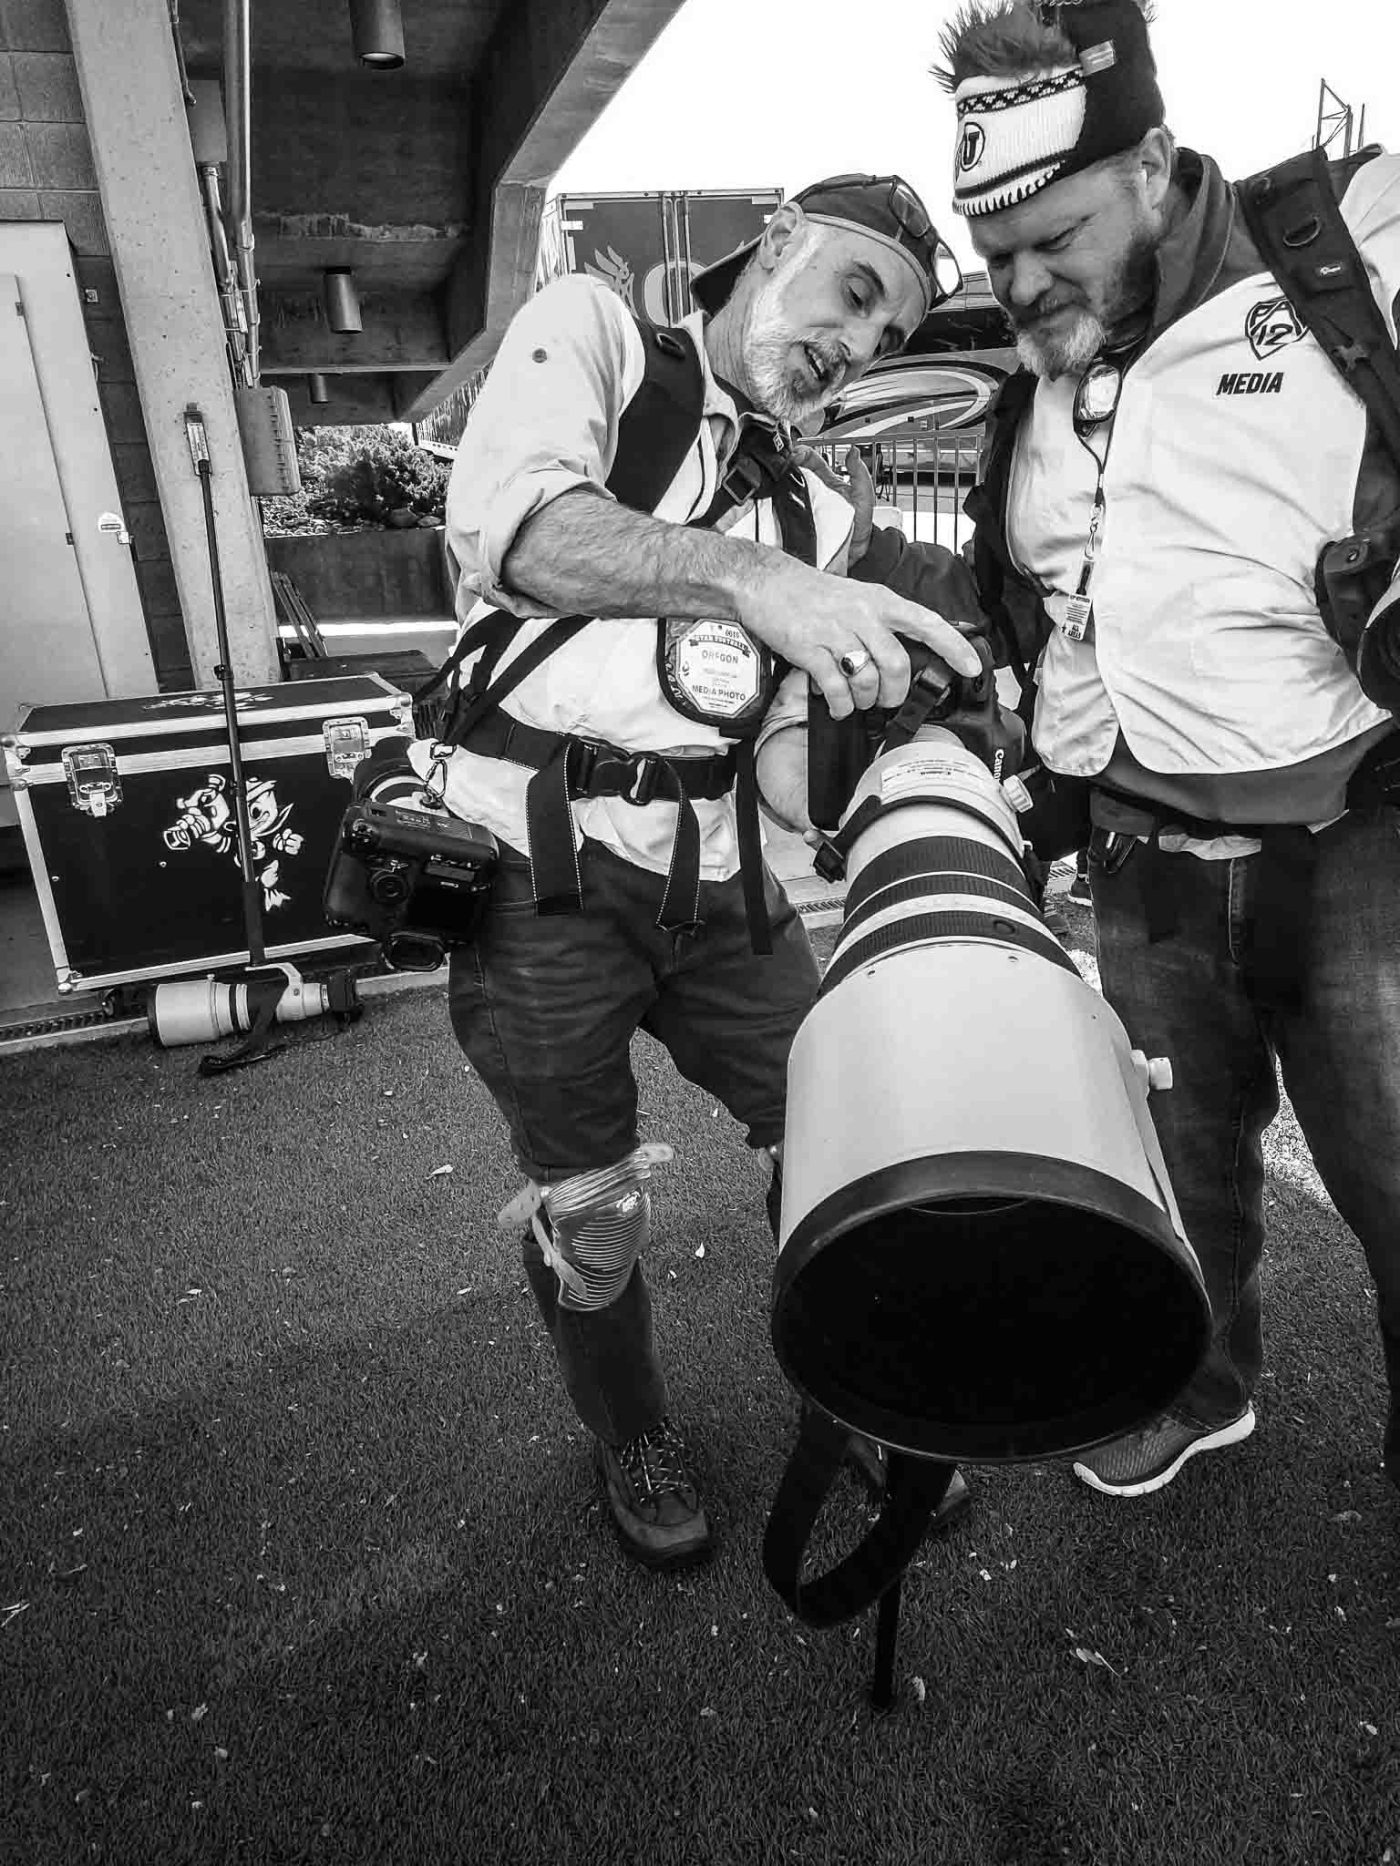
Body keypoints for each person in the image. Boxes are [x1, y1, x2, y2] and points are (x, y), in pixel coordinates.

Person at [831, 0, 1400, 1499]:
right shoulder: (1037, 383)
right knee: (1177, 1161)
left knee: (1399, 1168)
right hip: (1143, 857)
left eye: (1052, 236)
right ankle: (1204, 1384)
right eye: (990, 243)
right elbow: (1046, 602)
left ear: (1152, 162)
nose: (1017, 281)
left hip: (1358, 844)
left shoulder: (1346, 260)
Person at [409, 176, 986, 1569]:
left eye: (888, 330)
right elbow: (520, 531)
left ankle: (855, 1390)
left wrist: (906, 786)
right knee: (593, 1210)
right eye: (853, 291)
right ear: (777, 240)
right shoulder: (597, 335)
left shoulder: (818, 519)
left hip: (717, 884)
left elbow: (781, 759)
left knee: (848, 1131)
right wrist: (753, 583)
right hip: (533, 879)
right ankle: (631, 1428)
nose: (859, 341)